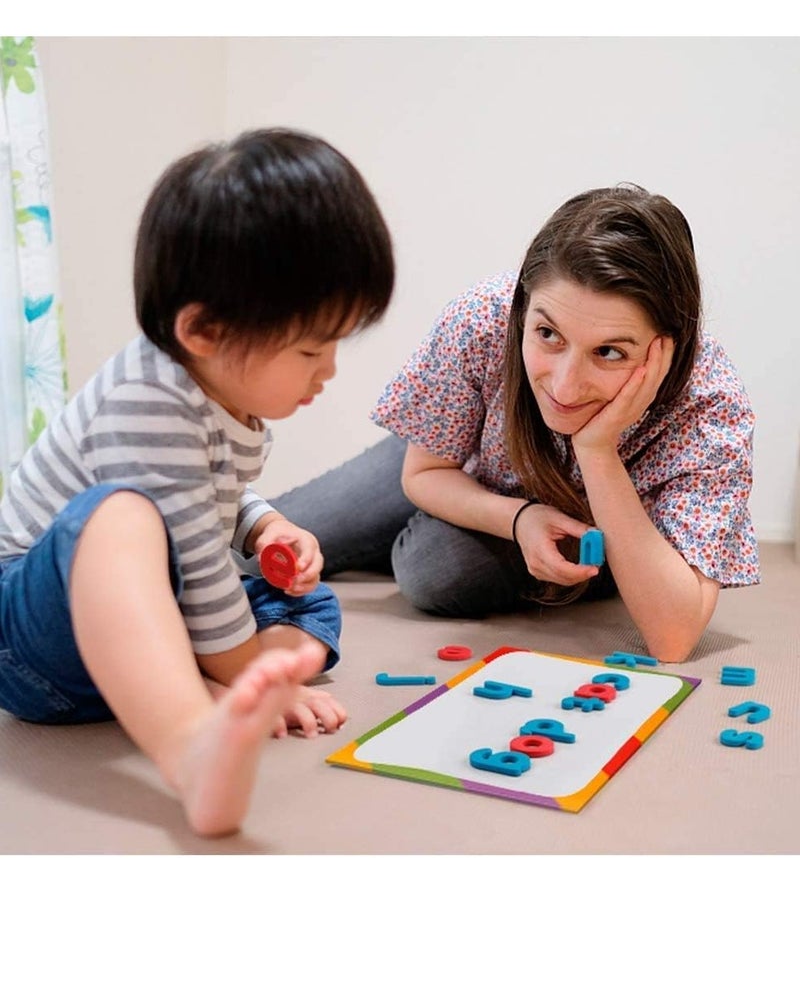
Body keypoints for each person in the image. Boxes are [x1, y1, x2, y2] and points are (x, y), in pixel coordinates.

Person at [0, 127, 394, 836]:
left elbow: (210, 492)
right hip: (33, 633)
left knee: (313, 604)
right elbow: (192, 552)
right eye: (311, 348)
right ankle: (191, 740)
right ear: (204, 330)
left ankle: (196, 674)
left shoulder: (209, 387)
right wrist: (244, 668)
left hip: (136, 615)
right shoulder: (147, 400)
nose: (327, 370)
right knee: (121, 517)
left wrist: (265, 524)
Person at [270, 184, 760, 664]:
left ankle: (419, 532)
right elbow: (424, 473)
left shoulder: (711, 407)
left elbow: (673, 638)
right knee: (261, 542)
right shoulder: (484, 319)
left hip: (609, 529)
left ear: (667, 347)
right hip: (461, 461)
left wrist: (596, 450)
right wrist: (519, 518)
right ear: (522, 311)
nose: (566, 388)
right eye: (548, 334)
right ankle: (416, 526)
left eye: (609, 352)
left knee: (436, 569)